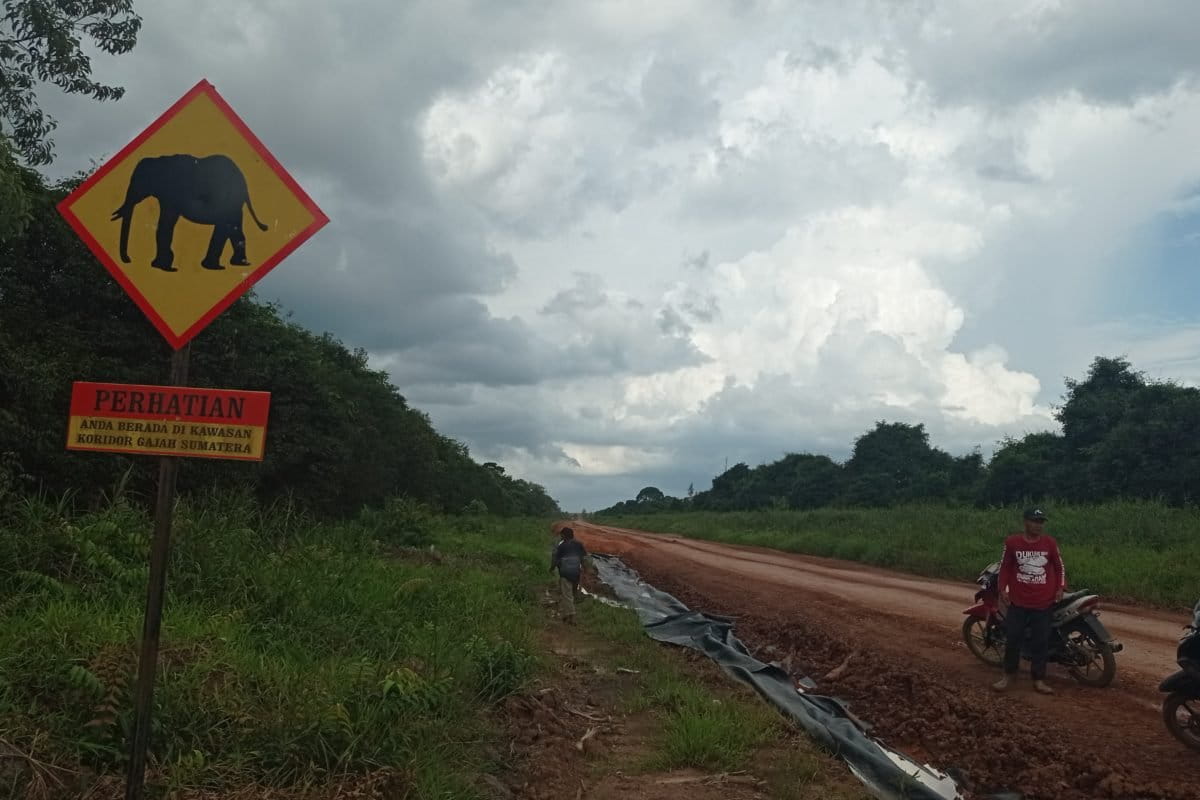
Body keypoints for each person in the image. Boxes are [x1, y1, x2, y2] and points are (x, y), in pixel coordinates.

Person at [992, 507, 1065, 695]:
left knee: (1040, 642)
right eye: (1034, 521)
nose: (1038, 525)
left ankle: (1039, 679)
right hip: (1018, 601)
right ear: (1025, 522)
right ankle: (1008, 675)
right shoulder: (1012, 543)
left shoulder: (1049, 543)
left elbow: (1059, 567)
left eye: (1040, 522)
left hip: (1043, 602)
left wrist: (1060, 588)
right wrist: (1003, 590)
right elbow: (1005, 568)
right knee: (1013, 638)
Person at [550, 526, 588, 624]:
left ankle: (571, 617)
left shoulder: (561, 546)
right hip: (576, 573)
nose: (560, 537)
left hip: (565, 573)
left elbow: (555, 559)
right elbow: (583, 559)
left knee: (567, 595)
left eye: (561, 535)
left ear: (564, 535)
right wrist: (586, 569)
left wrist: (552, 568)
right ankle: (567, 615)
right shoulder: (579, 544)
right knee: (571, 594)